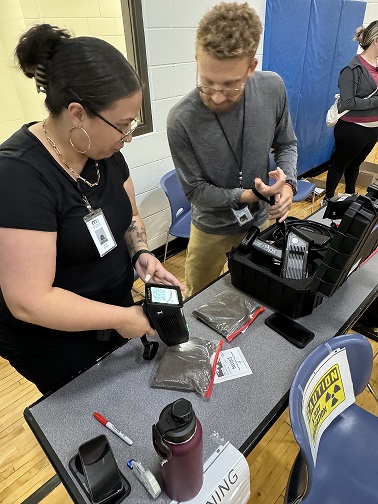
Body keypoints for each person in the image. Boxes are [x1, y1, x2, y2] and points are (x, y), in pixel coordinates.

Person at [0, 24, 184, 394]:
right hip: (56, 342)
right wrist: (121, 318)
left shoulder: (104, 153)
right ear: (77, 113)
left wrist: (142, 253)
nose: (128, 137)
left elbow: (130, 216)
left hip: (115, 312)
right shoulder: (17, 175)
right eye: (122, 125)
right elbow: (29, 302)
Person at [167, 2, 297, 297]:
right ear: (197, 59)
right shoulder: (181, 119)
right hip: (210, 229)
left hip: (259, 220)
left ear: (251, 67)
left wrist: (288, 183)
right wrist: (249, 195)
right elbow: (196, 191)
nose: (215, 95)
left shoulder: (273, 88)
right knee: (198, 297)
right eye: (206, 82)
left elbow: (286, 143)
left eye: (229, 85)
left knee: (255, 293)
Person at [324, 21, 378, 204]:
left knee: (355, 165)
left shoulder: (377, 67)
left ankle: (350, 196)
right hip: (352, 129)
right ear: (376, 41)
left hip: (372, 130)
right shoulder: (352, 69)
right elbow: (348, 102)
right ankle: (329, 199)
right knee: (340, 164)